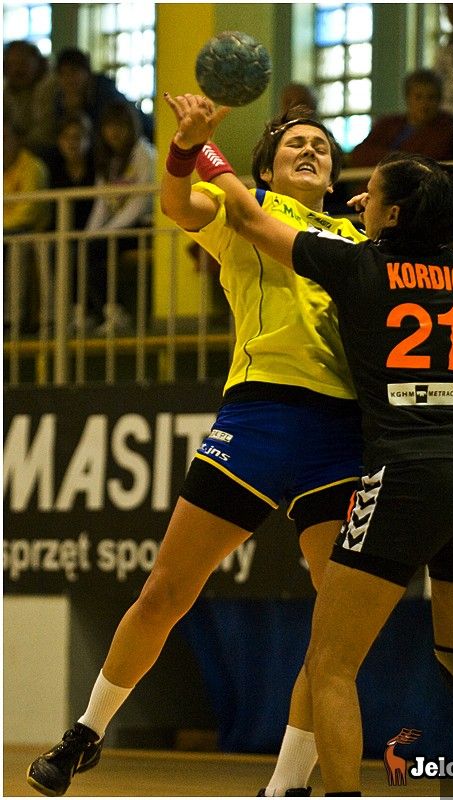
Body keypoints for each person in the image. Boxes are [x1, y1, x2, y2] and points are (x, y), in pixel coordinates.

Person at [169, 97, 453, 798]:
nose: (358, 197)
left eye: (372, 193)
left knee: (330, 662)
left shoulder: (358, 267)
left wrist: (203, 149)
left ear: (391, 217)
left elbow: (248, 215)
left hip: (408, 473)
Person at [26, 99, 366, 797]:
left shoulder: (357, 238)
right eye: (295, 144)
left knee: (336, 630)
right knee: (166, 590)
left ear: (334, 175)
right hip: (260, 415)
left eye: (321, 146)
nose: (310, 150)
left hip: (340, 432)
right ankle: (88, 731)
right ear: (266, 171)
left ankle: (284, 785)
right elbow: (177, 203)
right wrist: (185, 147)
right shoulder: (249, 211)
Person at [80, 100, 156, 335]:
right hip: (117, 227)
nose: (114, 132)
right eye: (109, 126)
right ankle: (91, 312)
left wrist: (105, 232)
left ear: (130, 127)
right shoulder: (109, 160)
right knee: (82, 248)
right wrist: (89, 234)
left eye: (120, 126)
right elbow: (101, 203)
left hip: (142, 225)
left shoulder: (144, 154)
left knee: (97, 249)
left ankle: (115, 311)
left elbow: (139, 204)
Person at [349, 69, 453, 169]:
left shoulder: (446, 129)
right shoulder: (387, 124)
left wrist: (387, 158)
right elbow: (359, 154)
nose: (424, 104)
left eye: (431, 97)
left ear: (439, 100)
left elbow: (423, 161)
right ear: (407, 98)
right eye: (418, 97)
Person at [4, 115, 51, 332]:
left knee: (17, 247)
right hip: (6, 232)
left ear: (18, 140)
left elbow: (29, 210)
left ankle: (12, 318)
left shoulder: (33, 167)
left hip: (30, 231)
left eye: (5, 138)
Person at [3, 40, 57, 155]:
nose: (17, 69)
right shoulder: (8, 91)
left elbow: (44, 133)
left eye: (23, 63)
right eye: (11, 64)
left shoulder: (49, 87)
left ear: (38, 63)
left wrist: (14, 142)